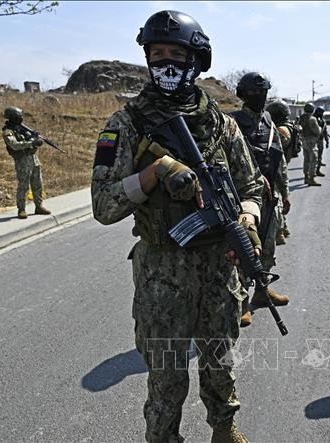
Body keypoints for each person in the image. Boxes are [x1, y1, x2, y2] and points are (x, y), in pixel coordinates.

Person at [90, 10, 264, 443]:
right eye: (158, 54)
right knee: (167, 378)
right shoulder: (126, 125)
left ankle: (224, 430)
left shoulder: (221, 125)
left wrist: (247, 216)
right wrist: (155, 173)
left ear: (196, 60)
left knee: (219, 361)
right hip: (162, 273)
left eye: (176, 54)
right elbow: (103, 205)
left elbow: (253, 185)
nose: (166, 63)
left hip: (219, 271)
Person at [230, 73, 290, 328]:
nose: (259, 98)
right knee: (246, 249)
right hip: (244, 198)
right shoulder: (233, 122)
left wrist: (284, 192)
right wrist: (253, 178)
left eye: (263, 93)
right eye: (253, 94)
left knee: (268, 246)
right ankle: (241, 302)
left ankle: (262, 292)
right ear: (242, 95)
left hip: (270, 197)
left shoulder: (268, 121)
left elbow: (278, 157)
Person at [1, 107, 51, 219]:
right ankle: (21, 209)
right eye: (19, 117)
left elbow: (32, 139)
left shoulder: (22, 128)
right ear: (13, 118)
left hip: (33, 158)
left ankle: (39, 206)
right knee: (23, 186)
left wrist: (36, 139)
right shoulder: (8, 131)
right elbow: (14, 145)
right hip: (22, 160)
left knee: (38, 183)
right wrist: (31, 142)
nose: (21, 119)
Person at [266, 99, 299, 243]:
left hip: (278, 166)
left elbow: (274, 146)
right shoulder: (286, 126)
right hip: (279, 164)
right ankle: (283, 226)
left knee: (277, 198)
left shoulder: (281, 129)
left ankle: (279, 232)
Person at [298, 102, 322, 186]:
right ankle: (311, 179)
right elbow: (317, 131)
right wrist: (320, 128)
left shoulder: (301, 118)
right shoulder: (312, 119)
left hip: (304, 140)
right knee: (313, 160)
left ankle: (306, 177)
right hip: (311, 141)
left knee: (306, 159)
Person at [313, 106, 329, 177]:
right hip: (313, 140)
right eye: (321, 112)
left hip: (320, 140)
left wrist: (327, 140)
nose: (322, 114)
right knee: (313, 157)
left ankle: (317, 170)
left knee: (319, 155)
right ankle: (313, 171)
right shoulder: (313, 120)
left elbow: (325, 131)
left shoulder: (322, 120)